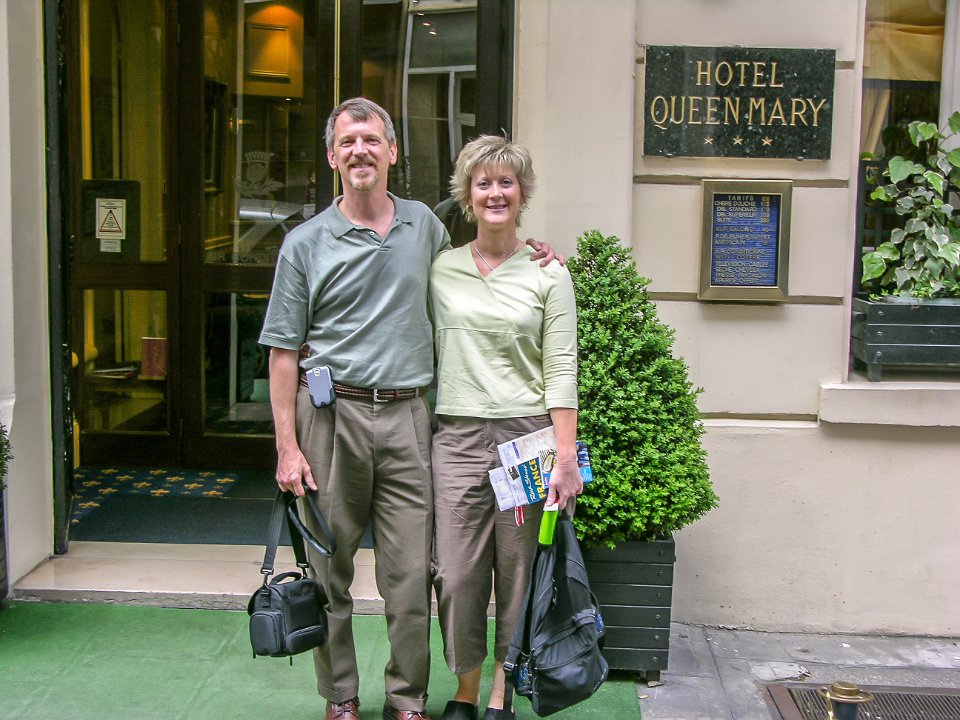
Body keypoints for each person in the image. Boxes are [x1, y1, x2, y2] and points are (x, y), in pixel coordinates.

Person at [258, 98, 557, 720]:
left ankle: (406, 699)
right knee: (329, 570)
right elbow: (283, 353)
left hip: (409, 417)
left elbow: (478, 271)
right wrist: (287, 447)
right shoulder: (304, 243)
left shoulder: (425, 227)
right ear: (333, 157)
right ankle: (341, 696)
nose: (360, 150)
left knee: (411, 574)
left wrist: (532, 252)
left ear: (392, 152)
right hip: (330, 419)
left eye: (371, 139)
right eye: (347, 142)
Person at [429, 136, 583, 720]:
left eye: (506, 182)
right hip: (458, 438)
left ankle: (501, 693)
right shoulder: (440, 269)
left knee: (518, 574)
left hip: (527, 441)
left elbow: (561, 369)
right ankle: (464, 687)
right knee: (457, 574)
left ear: (522, 194)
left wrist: (564, 458)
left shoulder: (549, 273)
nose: (495, 193)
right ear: (467, 195)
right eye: (483, 183)